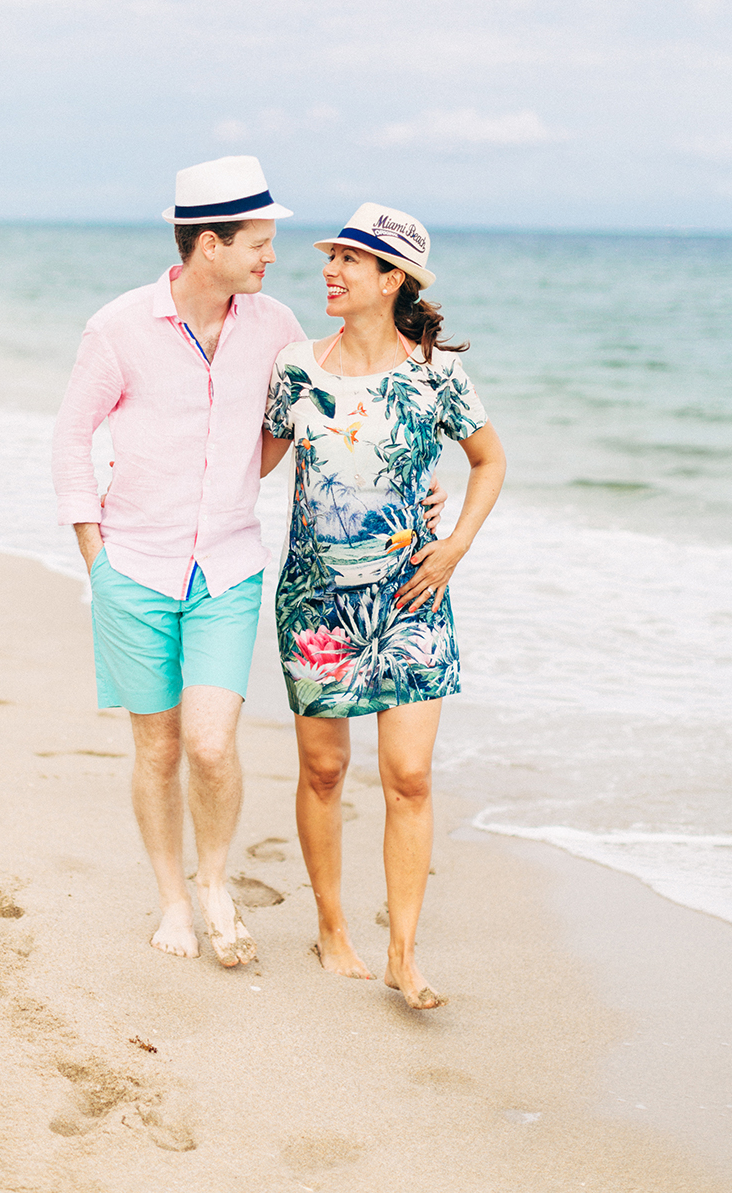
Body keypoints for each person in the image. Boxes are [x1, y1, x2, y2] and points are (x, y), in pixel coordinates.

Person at [53, 157, 448, 968]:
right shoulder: (118, 328)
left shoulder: (273, 328)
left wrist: (417, 478)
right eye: (259, 243)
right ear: (210, 244)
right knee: (157, 748)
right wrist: (93, 553)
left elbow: (337, 402)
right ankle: (172, 899)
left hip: (228, 566)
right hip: (131, 566)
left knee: (207, 744)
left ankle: (215, 884)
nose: (273, 258)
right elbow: (70, 437)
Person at [261, 203, 506, 1008]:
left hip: (411, 595)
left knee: (408, 775)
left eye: (349, 262)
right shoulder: (298, 366)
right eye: (331, 258)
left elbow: (489, 459)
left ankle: (404, 953)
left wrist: (456, 541)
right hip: (316, 598)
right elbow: (251, 463)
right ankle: (333, 927)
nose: (330, 272)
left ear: (392, 279)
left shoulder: (435, 373)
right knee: (325, 770)